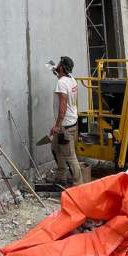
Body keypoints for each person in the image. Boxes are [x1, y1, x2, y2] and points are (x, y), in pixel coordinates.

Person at [49, 55, 82, 185]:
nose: (57, 65)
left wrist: (57, 126)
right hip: (71, 122)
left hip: (65, 126)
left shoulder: (61, 83)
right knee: (55, 148)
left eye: (59, 64)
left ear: (62, 67)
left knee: (70, 156)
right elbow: (63, 80)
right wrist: (56, 72)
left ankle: (79, 185)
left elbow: (62, 107)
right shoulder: (71, 79)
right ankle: (60, 177)